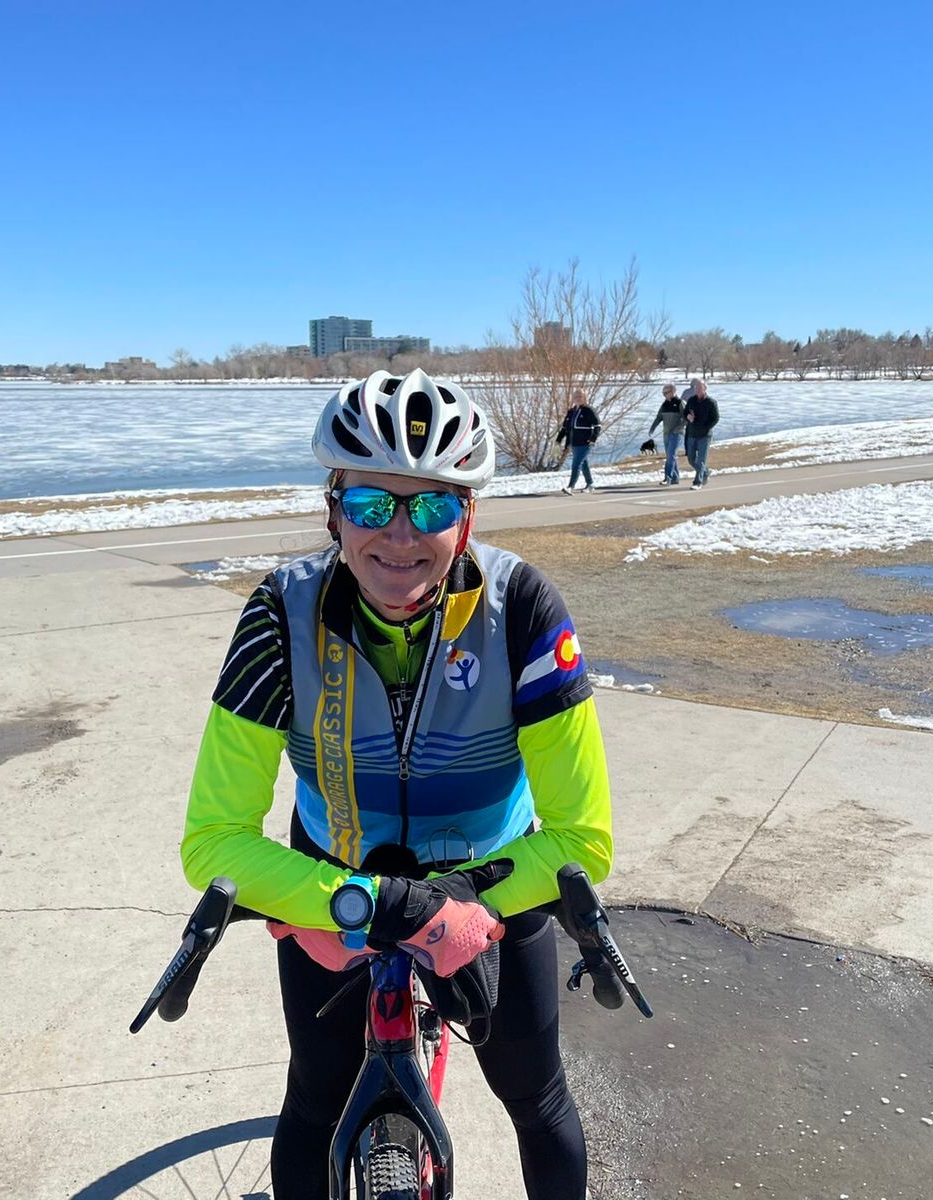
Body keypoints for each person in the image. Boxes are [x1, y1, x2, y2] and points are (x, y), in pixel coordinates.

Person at [181, 369, 612, 1200]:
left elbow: (583, 839)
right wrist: (387, 908)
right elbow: (213, 840)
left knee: (536, 1097)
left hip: (494, 881)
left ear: (468, 515)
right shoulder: (280, 614)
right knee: (315, 1101)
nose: (402, 536)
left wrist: (450, 905)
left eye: (434, 507)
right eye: (372, 504)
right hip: (334, 873)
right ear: (333, 511)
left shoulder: (523, 608)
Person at [554, 390, 601, 494]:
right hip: (574, 443)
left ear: (584, 397)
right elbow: (564, 428)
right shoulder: (571, 412)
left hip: (585, 443)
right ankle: (590, 484)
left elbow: (597, 426)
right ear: (573, 398)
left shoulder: (588, 410)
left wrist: (593, 438)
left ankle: (570, 487)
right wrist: (558, 440)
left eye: (580, 396)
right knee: (583, 464)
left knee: (576, 464)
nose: (578, 398)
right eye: (576, 396)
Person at [646, 384, 688, 485]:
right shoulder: (664, 404)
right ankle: (675, 478)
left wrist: (678, 428)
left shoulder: (680, 403)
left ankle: (667, 478)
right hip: (666, 433)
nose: (664, 395)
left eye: (666, 393)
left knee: (671, 455)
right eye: (663, 393)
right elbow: (659, 417)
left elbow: (686, 418)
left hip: (677, 434)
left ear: (673, 391)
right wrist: (652, 428)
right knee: (670, 456)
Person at [683, 377, 721, 489]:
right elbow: (685, 412)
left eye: (699, 388)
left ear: (705, 389)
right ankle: (705, 472)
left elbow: (715, 418)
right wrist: (688, 416)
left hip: (704, 435)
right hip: (692, 433)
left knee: (701, 460)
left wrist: (705, 428)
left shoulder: (711, 402)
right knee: (691, 459)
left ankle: (697, 482)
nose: (697, 390)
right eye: (696, 388)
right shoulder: (691, 400)